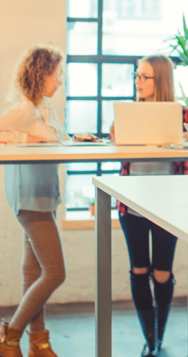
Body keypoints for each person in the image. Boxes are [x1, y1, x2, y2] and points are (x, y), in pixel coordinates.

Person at [110, 54, 188, 357]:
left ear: (161, 80)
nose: (138, 82)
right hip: (132, 206)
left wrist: (178, 135)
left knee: (162, 273)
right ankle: (150, 338)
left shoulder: (182, 114)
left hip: (170, 206)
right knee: (139, 270)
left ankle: (159, 334)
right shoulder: (128, 113)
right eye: (136, 76)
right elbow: (115, 143)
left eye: (144, 77)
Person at [0, 45, 69, 357]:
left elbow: (55, 140)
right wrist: (30, 139)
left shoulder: (43, 107)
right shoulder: (24, 108)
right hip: (29, 198)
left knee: (34, 271)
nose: (60, 82)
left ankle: (38, 342)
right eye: (57, 75)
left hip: (42, 196)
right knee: (55, 273)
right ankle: (10, 336)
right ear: (42, 76)